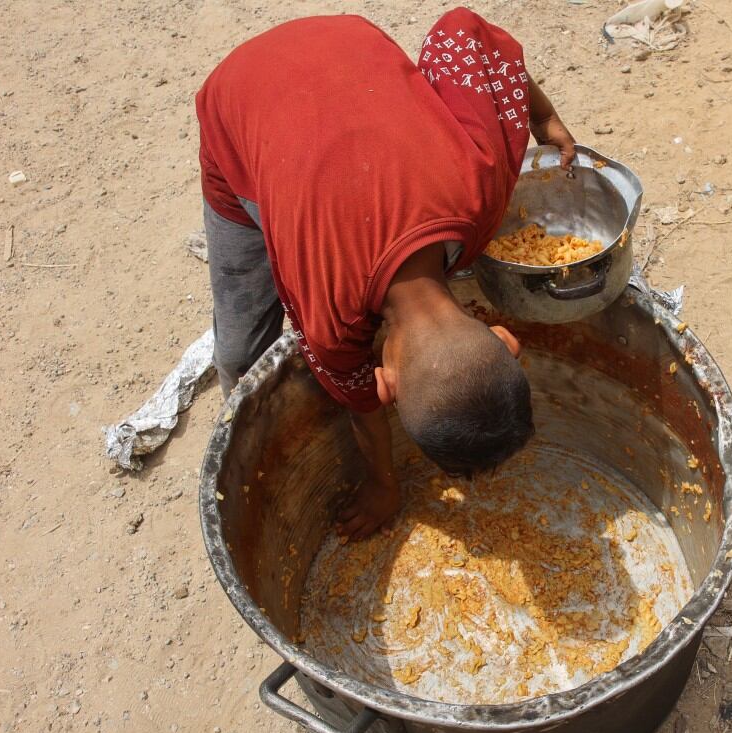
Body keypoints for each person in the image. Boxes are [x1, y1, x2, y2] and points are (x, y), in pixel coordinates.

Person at [196, 7, 576, 537]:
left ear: (505, 337)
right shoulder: (329, 319)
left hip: (347, 43)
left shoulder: (482, 187)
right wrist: (383, 483)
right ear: (385, 384)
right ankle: (246, 433)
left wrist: (541, 117)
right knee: (243, 354)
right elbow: (360, 405)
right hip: (239, 103)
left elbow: (463, 33)